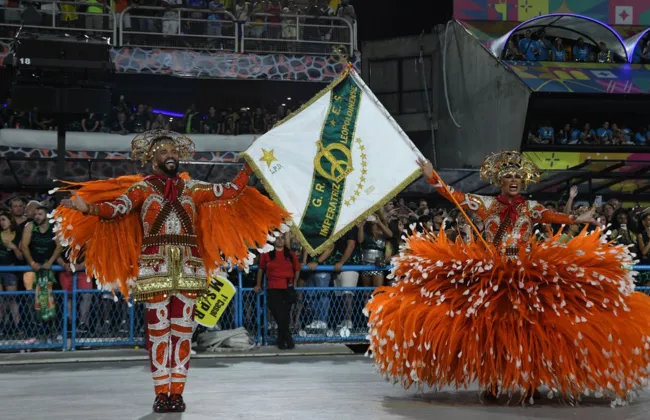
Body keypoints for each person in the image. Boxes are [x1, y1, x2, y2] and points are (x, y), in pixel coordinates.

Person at [365, 151, 650, 405]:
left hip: (526, 277)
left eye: (517, 176)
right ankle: (492, 382)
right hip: (493, 276)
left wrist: (578, 219)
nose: (513, 180)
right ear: (500, 181)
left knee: (530, 330)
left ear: (523, 181)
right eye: (508, 176)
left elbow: (553, 217)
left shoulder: (531, 208)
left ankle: (529, 382)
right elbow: (455, 196)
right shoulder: (485, 204)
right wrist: (432, 177)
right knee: (491, 332)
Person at [54, 130, 288, 413]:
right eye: (163, 151)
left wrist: (248, 165)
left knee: (182, 332)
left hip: (189, 267)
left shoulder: (193, 189)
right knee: (157, 332)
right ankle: (160, 392)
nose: (170, 155)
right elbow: (116, 208)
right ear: (152, 158)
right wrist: (87, 207)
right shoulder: (142, 189)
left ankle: (176, 393)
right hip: (155, 268)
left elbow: (231, 190)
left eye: (173, 151)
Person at [254, 233, 300, 350]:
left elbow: (297, 269)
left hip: (287, 287)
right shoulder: (267, 254)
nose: (279, 240)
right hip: (273, 287)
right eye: (277, 238)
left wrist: (294, 283)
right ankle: (287, 337)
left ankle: (281, 340)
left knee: (285, 315)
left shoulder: (290, 254)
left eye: (282, 238)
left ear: (285, 240)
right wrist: (258, 284)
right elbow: (261, 269)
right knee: (279, 314)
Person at [0, 211, 23, 334]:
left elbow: (20, 257)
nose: (1, 222)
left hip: (11, 269)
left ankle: (16, 326)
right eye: (0, 220)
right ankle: (4, 325)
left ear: (10, 221)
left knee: (11, 298)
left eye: (3, 219)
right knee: (0, 300)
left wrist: (14, 248)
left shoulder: (18, 235)